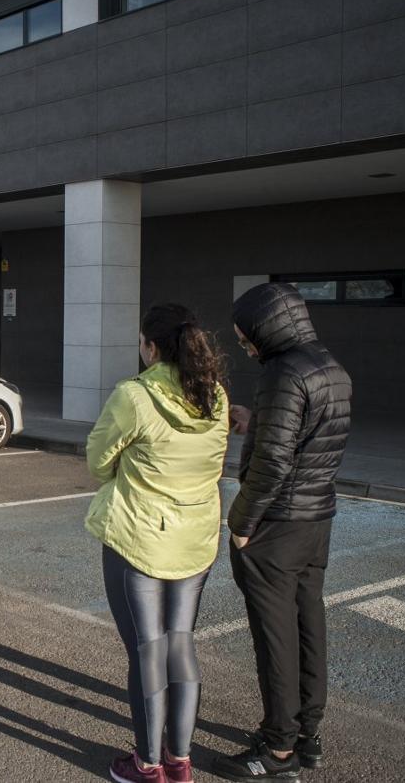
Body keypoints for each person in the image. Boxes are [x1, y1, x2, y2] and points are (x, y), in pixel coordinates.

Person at [213, 283, 351, 782]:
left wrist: (241, 523)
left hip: (277, 526)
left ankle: (277, 750)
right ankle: (307, 736)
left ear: (266, 328)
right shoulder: (330, 367)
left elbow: (273, 462)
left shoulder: (282, 373)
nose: (246, 346)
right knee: (308, 625)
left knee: (275, 639)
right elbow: (308, 438)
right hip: (317, 520)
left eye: (246, 336)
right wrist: (259, 420)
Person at [86, 304, 229, 783]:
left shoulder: (134, 395)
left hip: (140, 538)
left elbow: (97, 460)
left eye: (141, 342)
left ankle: (147, 765)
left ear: (150, 347)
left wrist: (125, 467)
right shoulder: (215, 396)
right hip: (195, 540)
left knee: (148, 652)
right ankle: (179, 761)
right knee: (180, 646)